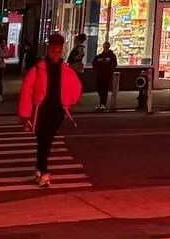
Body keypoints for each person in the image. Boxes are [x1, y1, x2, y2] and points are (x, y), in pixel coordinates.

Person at [19, 33, 83, 187]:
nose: (56, 55)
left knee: (45, 141)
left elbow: (77, 87)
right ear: (48, 50)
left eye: (59, 52)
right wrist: (25, 114)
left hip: (57, 111)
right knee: (44, 141)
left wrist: (67, 101)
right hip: (41, 111)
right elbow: (26, 91)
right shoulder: (38, 69)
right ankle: (41, 169)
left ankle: (42, 170)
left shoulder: (65, 70)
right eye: (54, 51)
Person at [93, 41, 118, 112]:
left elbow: (114, 64)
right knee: (99, 89)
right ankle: (102, 103)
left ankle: (103, 103)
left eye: (107, 46)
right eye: (105, 46)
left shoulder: (112, 55)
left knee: (104, 89)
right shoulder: (100, 55)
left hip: (107, 75)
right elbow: (94, 63)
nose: (106, 48)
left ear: (109, 47)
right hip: (99, 75)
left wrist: (109, 67)